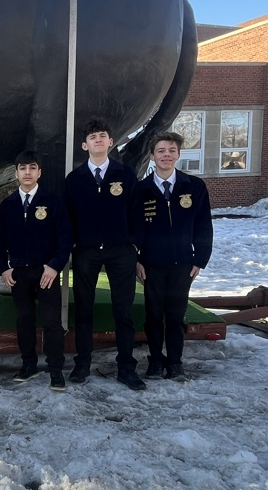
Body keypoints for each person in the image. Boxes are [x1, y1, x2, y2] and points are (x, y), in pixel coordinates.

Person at [64, 119, 143, 390]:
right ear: (84, 145)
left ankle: (126, 368)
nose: (98, 139)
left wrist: (134, 246)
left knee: (123, 311)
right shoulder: (74, 180)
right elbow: (67, 218)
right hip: (86, 252)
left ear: (111, 142)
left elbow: (137, 213)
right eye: (92, 137)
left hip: (121, 252)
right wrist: (72, 247)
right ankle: (82, 364)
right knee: (83, 310)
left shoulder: (125, 175)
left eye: (102, 135)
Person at [132, 131, 213, 381]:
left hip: (182, 264)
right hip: (151, 264)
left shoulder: (194, 187)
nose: (166, 155)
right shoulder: (141, 189)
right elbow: (134, 227)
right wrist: (137, 259)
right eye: (161, 151)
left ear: (178, 154)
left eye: (171, 150)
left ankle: (175, 362)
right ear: (152, 156)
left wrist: (200, 259)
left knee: (176, 316)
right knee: (154, 315)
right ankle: (156, 360)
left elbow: (203, 225)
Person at [0, 151, 72, 391]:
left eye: (32, 168)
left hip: (46, 272)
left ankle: (55, 370)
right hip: (18, 274)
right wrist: (4, 269)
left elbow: (65, 239)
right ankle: (29, 365)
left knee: (52, 322)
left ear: (40, 172)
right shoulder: (8, 205)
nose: (27, 172)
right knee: (24, 320)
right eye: (23, 168)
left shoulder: (52, 202)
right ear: (16, 173)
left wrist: (54, 265)